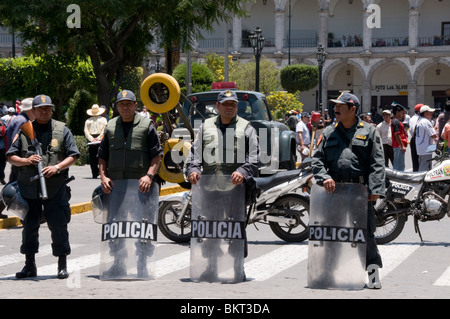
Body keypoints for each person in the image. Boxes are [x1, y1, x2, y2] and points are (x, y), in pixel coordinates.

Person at [311, 92, 385, 288]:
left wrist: (375, 189)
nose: (335, 109)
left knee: (365, 235)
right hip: (334, 192)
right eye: (334, 105)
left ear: (353, 109)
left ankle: (373, 275)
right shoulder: (328, 132)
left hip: (361, 193)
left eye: (340, 106)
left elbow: (377, 163)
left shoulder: (369, 131)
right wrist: (324, 177)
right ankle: (327, 273)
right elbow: (317, 160)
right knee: (331, 233)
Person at [185, 89, 259, 282]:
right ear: (217, 107)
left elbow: (255, 157)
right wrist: (193, 169)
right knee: (210, 229)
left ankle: (237, 268)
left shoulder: (247, 127)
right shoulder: (205, 126)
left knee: (235, 230)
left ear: (237, 107)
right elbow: (195, 154)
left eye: (232, 104)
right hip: (210, 189)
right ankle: (210, 267)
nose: (229, 107)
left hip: (236, 190)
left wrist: (242, 172)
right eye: (225, 104)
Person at [6, 94, 80, 279]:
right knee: (29, 227)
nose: (44, 111)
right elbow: (10, 156)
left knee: (59, 225)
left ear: (52, 110)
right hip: (29, 190)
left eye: (48, 108)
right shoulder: (24, 130)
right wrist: (26, 160)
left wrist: (57, 167)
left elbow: (73, 155)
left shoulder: (62, 129)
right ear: (34, 111)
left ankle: (61, 265)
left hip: (55, 187)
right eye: (40, 108)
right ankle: (29, 265)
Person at [97, 90, 163, 278]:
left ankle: (143, 263)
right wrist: (103, 177)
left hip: (141, 188)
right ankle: (119, 264)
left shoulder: (146, 125)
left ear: (135, 105)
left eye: (129, 104)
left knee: (142, 227)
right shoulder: (110, 127)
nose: (125, 107)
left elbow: (156, 154)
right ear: (116, 107)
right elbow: (102, 156)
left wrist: (149, 176)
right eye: (121, 104)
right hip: (115, 187)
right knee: (115, 226)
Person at [84, 104, 108, 179]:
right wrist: (99, 138)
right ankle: (103, 173)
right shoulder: (103, 120)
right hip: (100, 139)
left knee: (92, 157)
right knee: (102, 156)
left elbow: (86, 131)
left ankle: (94, 173)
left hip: (91, 139)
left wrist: (92, 139)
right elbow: (105, 129)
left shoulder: (88, 121)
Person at [415, 105, 437, 172]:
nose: (431, 113)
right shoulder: (426, 121)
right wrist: (435, 128)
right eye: (430, 112)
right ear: (425, 113)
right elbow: (433, 135)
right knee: (424, 169)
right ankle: (421, 182)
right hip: (426, 149)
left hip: (422, 148)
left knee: (424, 166)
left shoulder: (420, 120)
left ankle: (423, 181)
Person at [391, 104, 408, 171]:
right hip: (398, 146)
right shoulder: (395, 121)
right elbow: (396, 134)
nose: (403, 114)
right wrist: (401, 145)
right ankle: (397, 179)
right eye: (402, 112)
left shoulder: (396, 121)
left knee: (400, 165)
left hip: (398, 145)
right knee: (399, 166)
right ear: (397, 112)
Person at [409, 103, 423, 172]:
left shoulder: (412, 118)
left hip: (414, 139)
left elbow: (411, 131)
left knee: (415, 160)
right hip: (418, 139)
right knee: (421, 160)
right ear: (419, 111)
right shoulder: (418, 119)